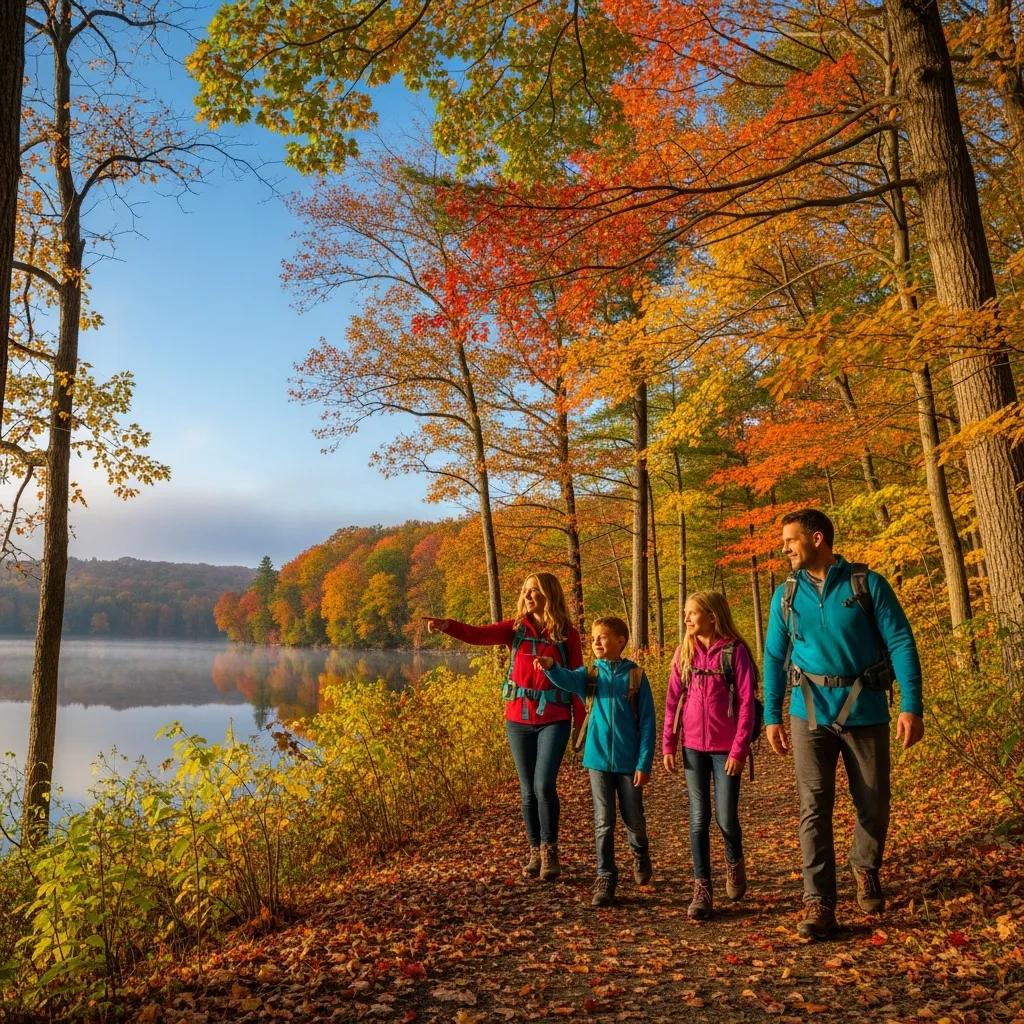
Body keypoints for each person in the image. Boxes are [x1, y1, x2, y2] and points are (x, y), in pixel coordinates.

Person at [763, 508, 924, 941]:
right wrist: (771, 715)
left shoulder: (867, 585)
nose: (785, 549)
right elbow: (775, 657)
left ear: (817, 538)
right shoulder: (786, 596)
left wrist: (912, 705)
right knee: (813, 806)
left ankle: (865, 864)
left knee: (873, 801)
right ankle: (819, 902)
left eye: (790, 540)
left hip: (865, 708)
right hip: (809, 711)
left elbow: (901, 642)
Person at [424, 572, 584, 881]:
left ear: (549, 595)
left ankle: (551, 851)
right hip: (517, 719)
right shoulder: (515, 629)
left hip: (555, 718)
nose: (527, 596)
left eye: (534, 591)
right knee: (526, 791)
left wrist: (581, 721)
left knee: (543, 786)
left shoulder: (567, 634)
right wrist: (448, 626)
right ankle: (535, 850)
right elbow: (479, 635)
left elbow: (577, 677)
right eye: (525, 590)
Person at [534, 615, 655, 908]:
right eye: (593, 637)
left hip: (628, 763)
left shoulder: (636, 676)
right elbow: (565, 677)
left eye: (602, 637)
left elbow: (649, 724)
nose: (596, 642)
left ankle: (639, 852)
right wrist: (550, 667)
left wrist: (643, 763)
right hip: (597, 761)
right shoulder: (590, 675)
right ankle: (605, 875)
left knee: (633, 819)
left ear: (620, 641)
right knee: (604, 821)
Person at [662, 591, 758, 920]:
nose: (686, 619)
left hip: (726, 749)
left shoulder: (735, 652)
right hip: (692, 747)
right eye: (685, 614)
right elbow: (672, 700)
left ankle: (734, 861)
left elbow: (747, 705)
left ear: (712, 616)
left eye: (692, 613)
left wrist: (739, 749)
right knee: (698, 817)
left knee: (726, 817)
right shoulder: (684, 653)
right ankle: (702, 887)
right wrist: (668, 743)